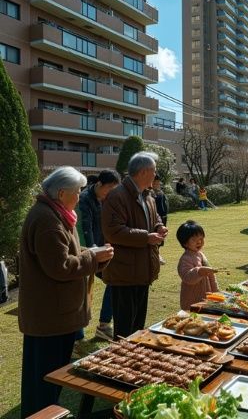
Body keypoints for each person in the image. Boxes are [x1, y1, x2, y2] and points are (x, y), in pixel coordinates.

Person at [18, 167, 113, 418]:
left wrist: (93, 255)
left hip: (56, 314)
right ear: (61, 193)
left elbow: (69, 255)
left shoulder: (57, 213)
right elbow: (60, 267)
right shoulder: (47, 219)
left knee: (49, 377)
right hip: (50, 317)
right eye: (78, 191)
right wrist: (93, 256)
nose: (81, 196)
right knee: (44, 380)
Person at [102, 152, 168, 339]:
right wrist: (146, 237)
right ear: (144, 172)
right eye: (154, 171)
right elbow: (113, 231)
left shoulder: (147, 195)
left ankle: (133, 364)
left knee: (138, 329)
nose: (155, 175)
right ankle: (119, 366)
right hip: (124, 273)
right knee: (124, 331)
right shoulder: (117, 196)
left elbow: (154, 218)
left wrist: (159, 227)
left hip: (143, 270)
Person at [77, 169, 120, 342]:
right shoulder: (85, 198)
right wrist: (93, 250)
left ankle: (103, 325)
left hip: (101, 248)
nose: (110, 193)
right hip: (85, 250)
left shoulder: (105, 198)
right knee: (79, 290)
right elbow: (86, 226)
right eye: (109, 188)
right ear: (99, 184)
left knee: (114, 280)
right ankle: (77, 336)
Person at [176, 220, 218, 310]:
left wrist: (216, 292)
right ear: (184, 243)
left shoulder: (200, 254)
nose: (199, 242)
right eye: (194, 240)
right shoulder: (185, 259)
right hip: (192, 300)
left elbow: (211, 277)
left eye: (201, 238)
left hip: (207, 297)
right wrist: (199, 271)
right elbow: (187, 277)